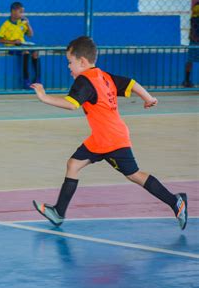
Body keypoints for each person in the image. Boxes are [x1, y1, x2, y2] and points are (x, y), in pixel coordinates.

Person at [31, 36, 188, 230]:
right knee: (73, 164)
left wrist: (44, 97)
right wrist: (148, 98)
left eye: (70, 62)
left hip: (110, 139)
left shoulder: (84, 81)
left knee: (135, 175)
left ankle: (175, 201)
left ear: (82, 61)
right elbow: (131, 83)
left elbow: (72, 105)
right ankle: (58, 212)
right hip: (104, 137)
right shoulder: (104, 77)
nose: (68, 67)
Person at [0, 2, 40, 89]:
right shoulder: (6, 24)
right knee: (26, 52)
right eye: (20, 12)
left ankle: (38, 79)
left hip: (23, 45)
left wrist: (28, 24)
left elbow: (30, 35)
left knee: (35, 52)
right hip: (12, 47)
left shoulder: (22, 23)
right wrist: (13, 42)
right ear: (13, 11)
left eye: (22, 12)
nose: (22, 14)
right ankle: (26, 80)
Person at [183, 0, 199, 88]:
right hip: (195, 39)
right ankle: (186, 80)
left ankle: (186, 80)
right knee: (190, 60)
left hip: (194, 38)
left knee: (190, 60)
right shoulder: (197, 7)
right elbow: (194, 23)